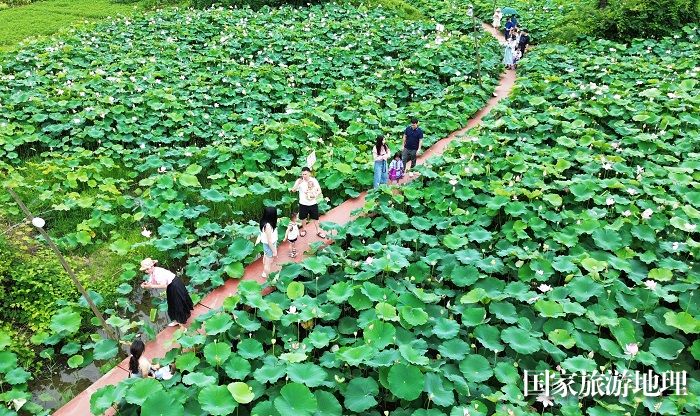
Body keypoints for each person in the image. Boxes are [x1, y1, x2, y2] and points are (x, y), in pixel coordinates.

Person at [140, 258, 194, 327]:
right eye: (145, 270)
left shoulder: (158, 273)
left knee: (178, 304)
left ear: (152, 266)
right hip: (171, 286)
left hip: (175, 285)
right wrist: (146, 284)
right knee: (172, 304)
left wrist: (151, 286)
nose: (146, 271)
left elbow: (164, 285)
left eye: (147, 269)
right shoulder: (154, 271)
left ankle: (182, 325)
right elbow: (152, 280)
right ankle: (177, 320)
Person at [290, 167, 326, 239]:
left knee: (315, 218)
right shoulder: (299, 181)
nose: (304, 176)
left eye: (305, 174)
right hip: (303, 203)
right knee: (303, 218)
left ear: (309, 173)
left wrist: (314, 195)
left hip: (313, 203)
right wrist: (298, 184)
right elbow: (293, 190)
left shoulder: (314, 180)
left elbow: (319, 191)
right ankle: (304, 229)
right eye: (302, 174)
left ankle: (318, 231)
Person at [255, 206, 278, 278]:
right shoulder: (268, 226)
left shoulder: (263, 221)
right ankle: (268, 278)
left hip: (266, 245)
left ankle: (264, 273)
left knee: (266, 257)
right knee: (268, 263)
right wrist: (274, 251)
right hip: (269, 245)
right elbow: (269, 241)